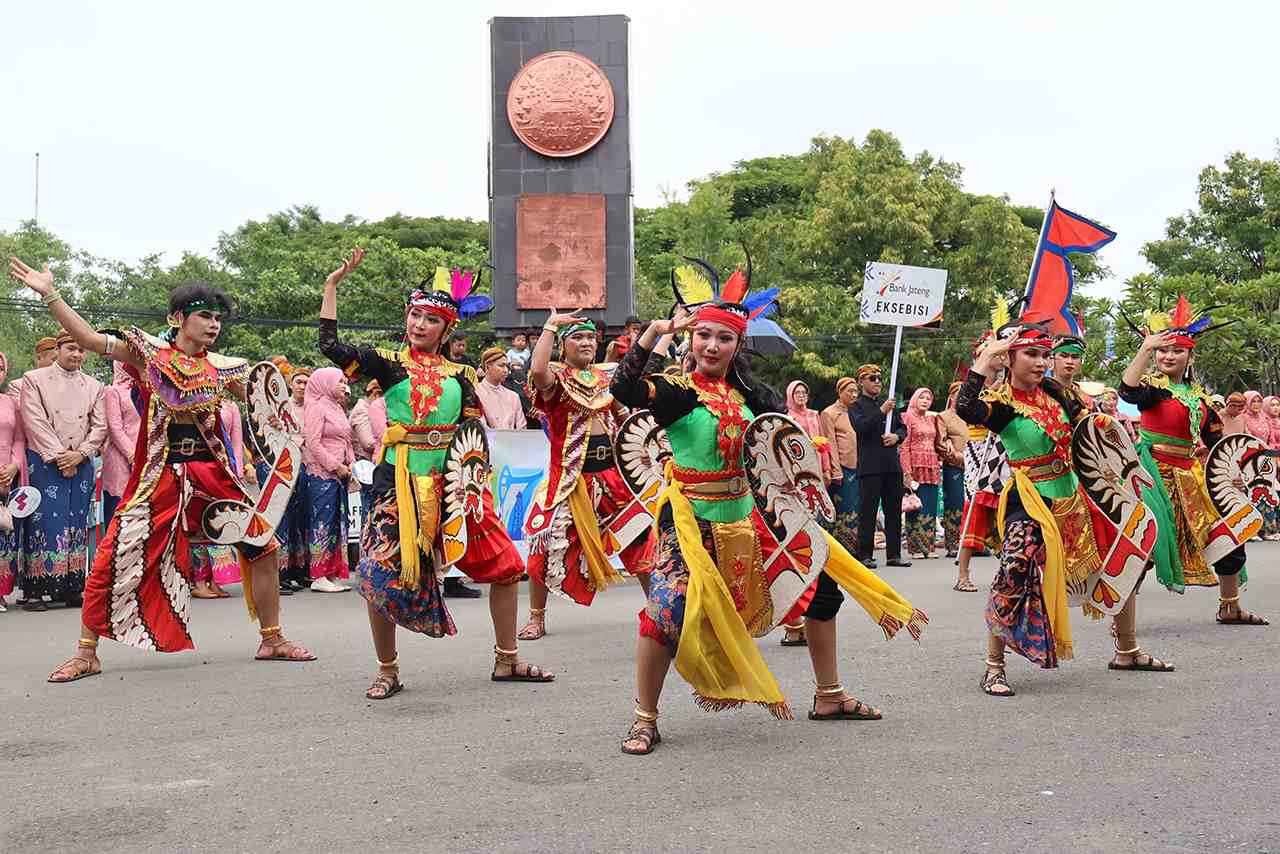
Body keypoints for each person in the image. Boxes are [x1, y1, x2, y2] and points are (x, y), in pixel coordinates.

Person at [610, 273, 926, 755]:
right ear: (691, 340)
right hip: (692, 519)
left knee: (821, 588)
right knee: (666, 612)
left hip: (752, 515)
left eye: (724, 338)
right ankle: (644, 718)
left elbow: (778, 453)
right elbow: (626, 387)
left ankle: (829, 695)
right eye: (704, 336)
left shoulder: (753, 397)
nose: (712, 345)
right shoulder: (677, 393)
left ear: (738, 345)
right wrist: (656, 333)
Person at [8, 256, 316, 680]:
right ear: (177, 318)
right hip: (158, 475)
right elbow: (90, 339)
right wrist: (51, 294)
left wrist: (285, 422)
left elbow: (269, 405)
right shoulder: (148, 354)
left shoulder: (222, 368)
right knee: (112, 554)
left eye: (217, 318)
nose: (213, 324)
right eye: (203, 315)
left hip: (212, 472)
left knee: (262, 546)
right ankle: (86, 653)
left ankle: (272, 637)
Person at [318, 250, 553, 699]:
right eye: (414, 315)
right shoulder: (388, 363)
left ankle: (508, 659)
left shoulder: (463, 375)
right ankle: (387, 670)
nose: (419, 324)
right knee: (379, 575)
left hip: (455, 484)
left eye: (430, 319)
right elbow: (332, 347)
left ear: (448, 329)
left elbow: (471, 430)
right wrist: (332, 286)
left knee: (505, 566)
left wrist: (472, 477)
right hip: (398, 482)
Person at [958, 319, 1170, 698]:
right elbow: (965, 408)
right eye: (1031, 354)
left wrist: (1121, 467)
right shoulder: (1002, 406)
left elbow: (1094, 433)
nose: (1041, 362)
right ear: (1009, 358)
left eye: (1044, 355)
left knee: (1127, 560)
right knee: (1014, 571)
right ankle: (993, 667)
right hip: (1030, 498)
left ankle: (1127, 650)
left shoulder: (1059, 396)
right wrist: (984, 360)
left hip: (1075, 492)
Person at [1119, 297, 1267, 627]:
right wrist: (1144, 349)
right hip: (1154, 476)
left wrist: (1235, 470)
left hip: (1193, 476)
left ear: (1189, 355)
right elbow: (1126, 392)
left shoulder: (1199, 398)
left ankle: (1230, 606)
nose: (1168, 356)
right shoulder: (1152, 389)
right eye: (1162, 351)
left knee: (1229, 534)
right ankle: (1123, 623)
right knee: (1145, 546)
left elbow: (1217, 440)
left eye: (1177, 351)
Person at [518, 313, 657, 641]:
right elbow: (537, 370)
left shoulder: (607, 377)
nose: (585, 343)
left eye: (590, 338)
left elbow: (640, 370)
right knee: (543, 544)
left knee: (641, 544)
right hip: (569, 480)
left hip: (612, 478)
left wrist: (661, 330)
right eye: (577, 338)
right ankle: (536, 617)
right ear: (563, 346)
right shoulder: (555, 378)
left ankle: (660, 612)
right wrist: (550, 326)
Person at [18, 330, 106, 611]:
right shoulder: (35, 380)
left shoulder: (94, 385)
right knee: (44, 523)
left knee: (77, 521)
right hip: (45, 462)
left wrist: (80, 454)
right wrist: (59, 457)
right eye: (71, 348)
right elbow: (34, 421)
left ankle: (71, 588)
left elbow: (100, 426)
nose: (77, 354)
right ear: (58, 349)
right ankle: (36, 590)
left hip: (80, 463)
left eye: (82, 350)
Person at [779, 379, 835, 645]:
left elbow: (824, 444)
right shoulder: (785, 418)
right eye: (796, 392)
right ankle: (792, 621)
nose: (801, 396)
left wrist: (826, 466)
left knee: (816, 529)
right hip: (792, 480)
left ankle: (801, 620)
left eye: (804, 392)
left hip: (815, 475)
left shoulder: (815, 415)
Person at [849, 364, 909, 568]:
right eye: (872, 378)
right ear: (862, 381)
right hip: (870, 466)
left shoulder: (888, 403)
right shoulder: (856, 406)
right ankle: (864, 554)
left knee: (894, 511)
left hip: (891, 465)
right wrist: (882, 412)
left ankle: (894, 554)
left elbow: (902, 427)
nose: (877, 382)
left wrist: (897, 436)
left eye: (879, 378)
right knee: (868, 512)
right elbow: (862, 427)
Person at [303, 367, 354, 593]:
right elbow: (313, 443)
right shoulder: (316, 407)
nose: (344, 385)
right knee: (322, 522)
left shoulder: (337, 407)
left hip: (340, 473)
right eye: (339, 382)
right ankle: (318, 574)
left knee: (336, 522)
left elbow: (347, 440)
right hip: (322, 474)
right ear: (325, 383)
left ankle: (331, 572)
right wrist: (335, 466)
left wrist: (350, 463)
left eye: (345, 381)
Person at [192, 398, 248, 600]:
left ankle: (217, 579)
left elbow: (235, 442)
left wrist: (237, 471)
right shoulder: (191, 399)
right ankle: (199, 581)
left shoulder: (230, 405)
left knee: (221, 521)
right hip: (197, 466)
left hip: (223, 469)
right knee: (197, 523)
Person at [277, 365, 312, 593]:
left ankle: (298, 570)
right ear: (290, 384)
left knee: (301, 521)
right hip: (284, 468)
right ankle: (279, 574)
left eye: (306, 382)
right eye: (298, 382)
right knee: (284, 520)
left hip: (307, 468)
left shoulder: (312, 408)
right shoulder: (281, 407)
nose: (302, 386)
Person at [901, 387, 942, 560]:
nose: (925, 401)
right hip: (915, 465)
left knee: (930, 506)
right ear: (914, 400)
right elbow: (904, 446)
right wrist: (907, 472)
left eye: (928, 398)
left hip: (931, 465)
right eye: (921, 398)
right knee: (915, 506)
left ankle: (929, 546)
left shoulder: (932, 419)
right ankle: (915, 548)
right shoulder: (906, 417)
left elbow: (938, 442)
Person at [0, 351, 26, 611]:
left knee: (5, 535)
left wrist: (14, 466)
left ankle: (0, 592)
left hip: (6, 478)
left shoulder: (9, 402)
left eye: (0, 367)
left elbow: (19, 438)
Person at [101, 361, 140, 527]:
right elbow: (114, 428)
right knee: (118, 518)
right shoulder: (113, 391)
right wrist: (133, 456)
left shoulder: (147, 389)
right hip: (122, 460)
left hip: (146, 460)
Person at [935, 381, 968, 560]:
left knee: (973, 504)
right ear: (951, 396)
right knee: (955, 504)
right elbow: (941, 443)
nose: (961, 397)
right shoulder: (944, 417)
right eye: (958, 394)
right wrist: (957, 456)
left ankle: (973, 544)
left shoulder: (972, 414)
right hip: (955, 466)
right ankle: (953, 544)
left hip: (976, 466)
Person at [820, 376, 859, 525]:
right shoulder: (829, 413)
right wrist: (835, 471)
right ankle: (842, 546)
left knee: (858, 508)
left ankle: (855, 546)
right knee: (844, 508)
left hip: (860, 467)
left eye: (856, 391)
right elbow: (830, 443)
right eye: (850, 391)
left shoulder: (857, 412)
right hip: (843, 468)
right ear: (840, 392)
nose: (854, 395)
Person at [475, 347, 527, 430]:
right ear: (487, 367)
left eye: (507, 366)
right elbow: (479, 427)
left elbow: (522, 428)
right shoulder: (475, 392)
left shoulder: (513, 396)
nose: (506, 370)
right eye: (501, 366)